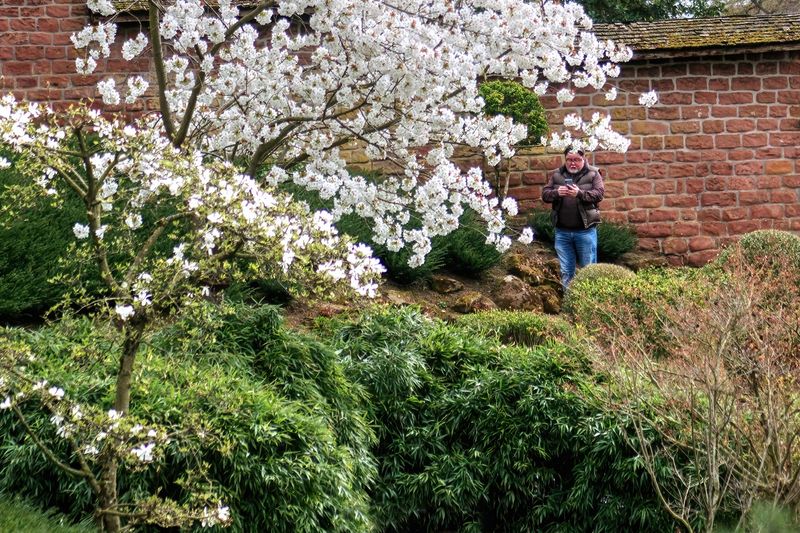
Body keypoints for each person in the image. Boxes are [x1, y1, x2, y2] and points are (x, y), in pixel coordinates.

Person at [541, 146, 605, 288]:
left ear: (584, 159)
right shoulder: (557, 174)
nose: (573, 163)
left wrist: (580, 194)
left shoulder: (594, 173)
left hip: (585, 231)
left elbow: (599, 194)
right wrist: (557, 192)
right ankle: (569, 305)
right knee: (566, 271)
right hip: (562, 232)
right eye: (569, 160)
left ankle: (589, 305)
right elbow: (545, 194)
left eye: (577, 159)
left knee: (588, 271)